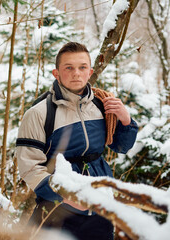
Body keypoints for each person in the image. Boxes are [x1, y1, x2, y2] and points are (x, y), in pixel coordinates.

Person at [16, 42, 138, 240]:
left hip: (100, 207)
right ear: (56, 73)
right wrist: (65, 196)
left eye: (82, 67)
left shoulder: (101, 105)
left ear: (90, 72)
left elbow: (121, 147)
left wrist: (125, 120)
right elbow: (30, 168)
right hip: (57, 211)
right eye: (69, 68)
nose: (76, 73)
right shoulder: (40, 113)